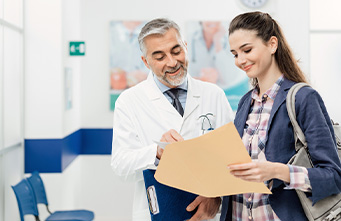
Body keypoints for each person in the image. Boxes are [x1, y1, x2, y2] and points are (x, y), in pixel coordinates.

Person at [220, 12, 341, 221]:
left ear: (272, 44)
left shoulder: (304, 98)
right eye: (235, 54)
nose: (240, 60)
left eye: (247, 50)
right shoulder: (244, 102)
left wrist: (278, 171)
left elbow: (333, 177)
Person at [111, 18, 235, 220]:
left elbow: (232, 158)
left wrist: (216, 196)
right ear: (146, 62)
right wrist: (157, 153)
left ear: (185, 47)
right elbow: (120, 166)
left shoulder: (214, 94)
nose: (171, 62)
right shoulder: (129, 101)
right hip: (159, 210)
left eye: (176, 51)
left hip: (208, 213)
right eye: (159, 57)